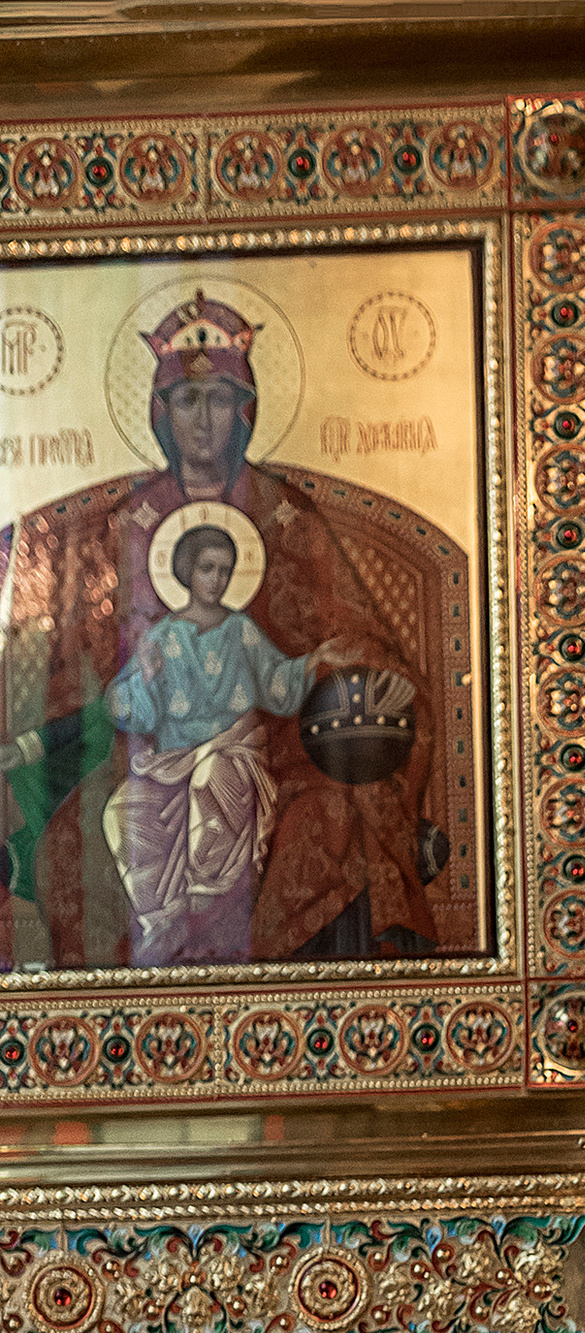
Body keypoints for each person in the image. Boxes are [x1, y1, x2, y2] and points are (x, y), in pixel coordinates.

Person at [0, 289, 448, 965]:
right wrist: (80, 717)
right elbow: (79, 668)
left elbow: (349, 642)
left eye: (218, 399)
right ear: (161, 412)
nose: (201, 420)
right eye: (186, 400)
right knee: (77, 838)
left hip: (283, 744)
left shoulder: (287, 515)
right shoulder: (126, 524)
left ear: (244, 410)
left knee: (322, 822)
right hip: (148, 749)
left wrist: (341, 666)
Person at [102, 521, 360, 965]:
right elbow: (127, 709)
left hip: (232, 753)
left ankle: (206, 914)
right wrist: (145, 674)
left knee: (210, 777)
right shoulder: (163, 637)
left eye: (225, 570)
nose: (216, 579)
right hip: (170, 762)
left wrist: (316, 660)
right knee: (121, 810)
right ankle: (161, 920)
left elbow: (279, 685)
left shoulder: (241, 631)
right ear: (186, 571)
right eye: (207, 568)